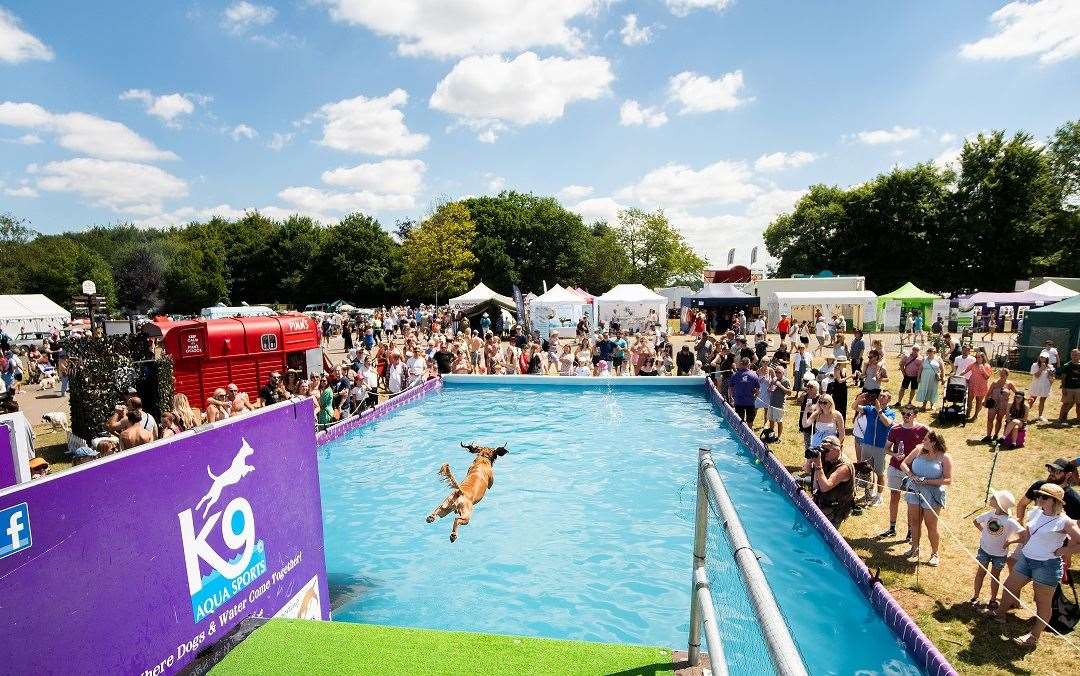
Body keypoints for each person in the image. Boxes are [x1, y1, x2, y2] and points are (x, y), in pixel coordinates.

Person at [996, 483, 1080, 647]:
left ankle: (1033, 637)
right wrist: (1012, 541)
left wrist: (1063, 550)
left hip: (1046, 566)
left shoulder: (1065, 522)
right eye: (1038, 495)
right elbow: (1028, 535)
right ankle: (999, 615)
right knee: (1009, 586)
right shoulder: (1035, 512)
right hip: (1026, 559)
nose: (1039, 498)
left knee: (1041, 602)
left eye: (1044, 497)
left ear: (1055, 501)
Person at [900, 430, 952, 566]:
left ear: (934, 442)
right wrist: (911, 475)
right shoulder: (918, 450)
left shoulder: (944, 458)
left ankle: (935, 553)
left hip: (933, 494)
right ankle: (914, 548)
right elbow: (903, 464)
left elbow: (948, 480)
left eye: (926, 439)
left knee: (931, 525)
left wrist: (927, 481)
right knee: (914, 521)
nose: (923, 441)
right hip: (914, 490)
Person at [879, 404, 928, 539]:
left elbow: (931, 448)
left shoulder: (923, 430)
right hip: (895, 468)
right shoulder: (895, 429)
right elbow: (886, 448)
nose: (905, 416)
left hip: (913, 471)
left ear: (915, 415)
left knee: (911, 501)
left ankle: (910, 531)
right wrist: (894, 455)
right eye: (904, 414)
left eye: (908, 414)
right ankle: (892, 528)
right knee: (894, 497)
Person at [971, 490, 1022, 610]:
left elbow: (1024, 535)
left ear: (999, 503)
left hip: (999, 555)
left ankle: (993, 599)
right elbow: (975, 521)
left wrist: (1011, 541)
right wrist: (984, 532)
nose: (991, 498)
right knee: (980, 572)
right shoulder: (990, 514)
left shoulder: (1009, 521)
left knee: (995, 576)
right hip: (984, 550)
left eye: (993, 497)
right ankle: (975, 596)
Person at [802, 435, 855, 526]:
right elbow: (807, 470)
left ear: (838, 449)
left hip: (835, 509)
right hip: (822, 500)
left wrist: (818, 464)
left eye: (827, 451)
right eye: (823, 450)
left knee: (823, 534)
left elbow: (825, 487)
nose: (824, 453)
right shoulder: (825, 457)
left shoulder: (844, 467)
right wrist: (810, 460)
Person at [854, 390, 895, 507]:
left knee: (879, 472)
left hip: (880, 447)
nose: (881, 397)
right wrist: (858, 399)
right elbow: (854, 407)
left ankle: (879, 496)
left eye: (884, 396)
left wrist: (880, 411)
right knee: (866, 469)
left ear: (889, 400)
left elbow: (887, 423)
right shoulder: (870, 409)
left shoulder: (890, 412)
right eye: (880, 395)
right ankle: (868, 492)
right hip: (866, 444)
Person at [982, 369, 1016, 442]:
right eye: (1001, 373)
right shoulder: (994, 383)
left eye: (1004, 374)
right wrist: (985, 401)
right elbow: (988, 393)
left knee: (999, 420)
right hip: (993, 404)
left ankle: (996, 435)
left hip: (1003, 405)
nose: (1002, 375)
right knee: (990, 419)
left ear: (1007, 375)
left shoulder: (1010, 384)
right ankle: (988, 436)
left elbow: (1017, 392)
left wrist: (1023, 399)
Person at [728, 358, 760, 425]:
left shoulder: (735, 375)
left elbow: (730, 388)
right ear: (749, 364)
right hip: (750, 401)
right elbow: (758, 390)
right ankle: (750, 433)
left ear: (741, 364)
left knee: (739, 421)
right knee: (750, 422)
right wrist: (754, 398)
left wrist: (731, 398)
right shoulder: (754, 375)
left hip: (738, 401)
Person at [914, 346, 945, 411]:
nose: (930, 352)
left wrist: (943, 377)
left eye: (932, 351)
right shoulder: (924, 359)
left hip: (933, 378)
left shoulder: (938, 359)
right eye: (929, 351)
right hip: (924, 377)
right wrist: (918, 377)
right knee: (925, 389)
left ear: (935, 352)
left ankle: (932, 405)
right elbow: (920, 369)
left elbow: (942, 369)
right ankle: (924, 405)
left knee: (933, 390)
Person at [766, 365, 791, 439]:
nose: (777, 373)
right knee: (771, 420)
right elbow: (769, 388)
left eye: (779, 372)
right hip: (772, 403)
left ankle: (779, 437)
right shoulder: (774, 379)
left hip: (779, 404)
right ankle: (771, 434)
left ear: (783, 373)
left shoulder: (785, 381)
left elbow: (789, 393)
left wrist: (780, 386)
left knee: (779, 421)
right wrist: (770, 388)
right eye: (776, 372)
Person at [966, 352, 993, 421]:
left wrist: (983, 369)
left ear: (983, 358)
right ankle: (967, 414)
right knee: (969, 400)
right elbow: (966, 370)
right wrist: (958, 374)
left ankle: (975, 416)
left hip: (981, 386)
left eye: (979, 357)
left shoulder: (987, 366)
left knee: (978, 401)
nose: (977, 359)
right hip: (972, 385)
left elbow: (987, 377)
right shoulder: (973, 364)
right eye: (976, 357)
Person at [1027, 355, 1054, 423]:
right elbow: (1036, 376)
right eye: (1041, 357)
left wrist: (1050, 376)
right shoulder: (1034, 365)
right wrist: (1041, 369)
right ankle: (1024, 413)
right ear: (1039, 357)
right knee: (1032, 399)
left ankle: (1040, 416)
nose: (1042, 358)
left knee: (1042, 400)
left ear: (1047, 358)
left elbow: (1052, 379)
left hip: (1045, 386)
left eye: (1044, 357)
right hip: (1036, 385)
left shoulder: (1050, 366)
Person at [1059, 347, 1080, 424]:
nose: (1075, 356)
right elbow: (1063, 377)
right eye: (1073, 355)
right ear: (1071, 356)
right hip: (1068, 388)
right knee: (1066, 404)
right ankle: (1061, 418)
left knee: (1079, 404)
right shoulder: (1066, 365)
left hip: (1079, 389)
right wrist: (1063, 388)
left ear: (1079, 356)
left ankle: (1078, 419)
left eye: (1076, 355)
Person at [797, 380, 820, 451]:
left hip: (815, 422)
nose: (809, 388)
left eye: (811, 387)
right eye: (808, 386)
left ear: (816, 388)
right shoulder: (805, 395)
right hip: (805, 420)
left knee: (815, 441)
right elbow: (798, 401)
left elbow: (814, 408)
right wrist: (803, 394)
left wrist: (810, 407)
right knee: (807, 441)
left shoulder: (819, 397)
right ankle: (808, 456)